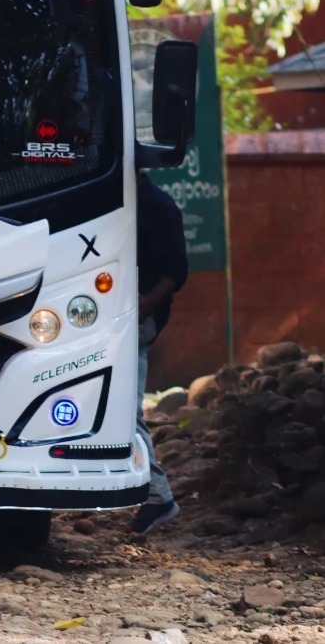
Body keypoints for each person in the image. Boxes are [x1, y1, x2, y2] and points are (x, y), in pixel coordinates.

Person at [131, 171, 189, 535]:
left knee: (123, 407)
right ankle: (155, 494)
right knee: (121, 405)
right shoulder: (119, 200)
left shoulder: (157, 205)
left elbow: (176, 271)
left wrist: (145, 305)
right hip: (117, 314)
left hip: (135, 318)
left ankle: (159, 495)